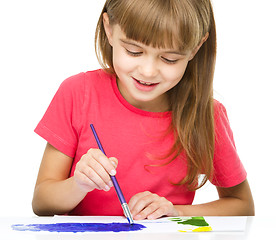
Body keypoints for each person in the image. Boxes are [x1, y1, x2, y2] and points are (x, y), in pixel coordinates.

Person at [32, 0, 254, 219]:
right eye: (133, 51)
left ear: (195, 48)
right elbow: (42, 203)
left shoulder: (206, 115)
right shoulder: (78, 93)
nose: (148, 72)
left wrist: (176, 212)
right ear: (109, 29)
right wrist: (79, 184)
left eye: (169, 59)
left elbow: (242, 205)